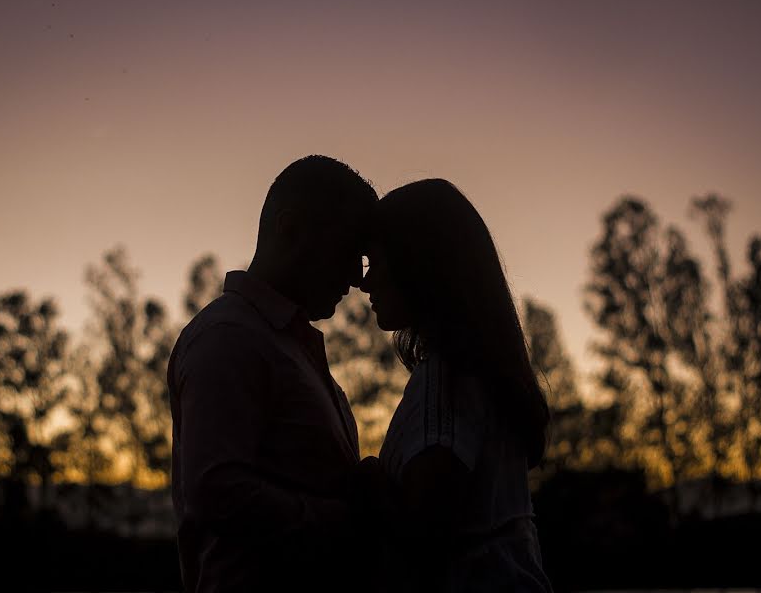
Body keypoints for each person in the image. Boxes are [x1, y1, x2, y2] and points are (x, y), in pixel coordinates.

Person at [167, 155, 378, 593]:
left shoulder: (281, 341)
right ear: (290, 229)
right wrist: (347, 517)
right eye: (348, 251)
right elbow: (216, 490)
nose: (357, 279)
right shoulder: (230, 338)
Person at [359, 178, 554, 592]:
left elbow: (425, 535)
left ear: (418, 263)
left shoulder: (445, 380)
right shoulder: (479, 374)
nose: (365, 282)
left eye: (375, 262)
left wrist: (368, 480)